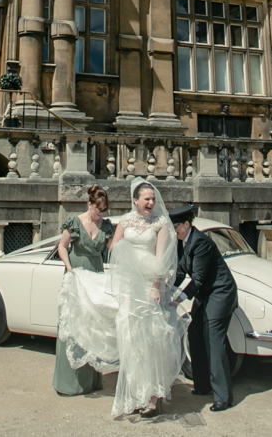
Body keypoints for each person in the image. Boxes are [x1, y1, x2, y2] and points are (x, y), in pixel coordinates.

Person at [107, 178, 188, 417]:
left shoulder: (161, 223)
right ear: (135, 200)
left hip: (148, 287)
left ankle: (153, 397)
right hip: (130, 287)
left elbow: (161, 259)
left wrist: (155, 286)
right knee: (131, 339)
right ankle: (135, 394)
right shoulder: (125, 220)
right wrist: (130, 259)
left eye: (153, 199)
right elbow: (114, 246)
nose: (151, 202)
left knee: (152, 339)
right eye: (147, 199)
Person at [170, 204, 238, 412]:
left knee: (213, 340)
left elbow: (198, 279)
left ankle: (224, 397)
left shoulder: (201, 243)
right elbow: (181, 271)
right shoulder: (184, 242)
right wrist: (165, 288)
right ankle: (202, 385)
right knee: (195, 333)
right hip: (205, 294)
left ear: (186, 224)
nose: (174, 231)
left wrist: (177, 299)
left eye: (177, 227)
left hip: (220, 292)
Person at [53, 185, 113, 395]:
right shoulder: (75, 222)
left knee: (92, 326)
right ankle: (68, 382)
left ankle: (90, 381)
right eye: (98, 210)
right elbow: (62, 246)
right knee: (72, 325)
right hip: (76, 273)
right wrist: (69, 269)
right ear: (89, 205)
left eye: (103, 210)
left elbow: (115, 249)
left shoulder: (106, 226)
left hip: (95, 274)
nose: (100, 214)